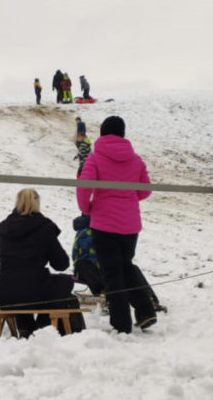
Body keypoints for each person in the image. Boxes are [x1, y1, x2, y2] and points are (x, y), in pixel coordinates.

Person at [76, 115, 156, 333]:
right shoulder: (135, 159)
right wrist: (129, 199)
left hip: (103, 223)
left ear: (102, 132)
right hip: (130, 225)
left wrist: (88, 208)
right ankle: (145, 310)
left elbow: (84, 186)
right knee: (126, 265)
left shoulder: (95, 157)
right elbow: (145, 190)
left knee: (112, 273)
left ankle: (121, 325)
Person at [0, 189, 85, 338]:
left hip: (4, 293)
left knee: (20, 286)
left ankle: (25, 327)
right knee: (64, 282)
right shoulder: (44, 226)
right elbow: (61, 264)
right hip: (35, 291)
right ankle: (42, 326)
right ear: (37, 202)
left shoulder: (4, 227)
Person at [71, 213, 165, 313]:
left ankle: (148, 299)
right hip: (89, 268)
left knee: (130, 268)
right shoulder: (86, 231)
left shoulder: (107, 228)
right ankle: (105, 297)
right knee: (85, 265)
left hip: (107, 266)